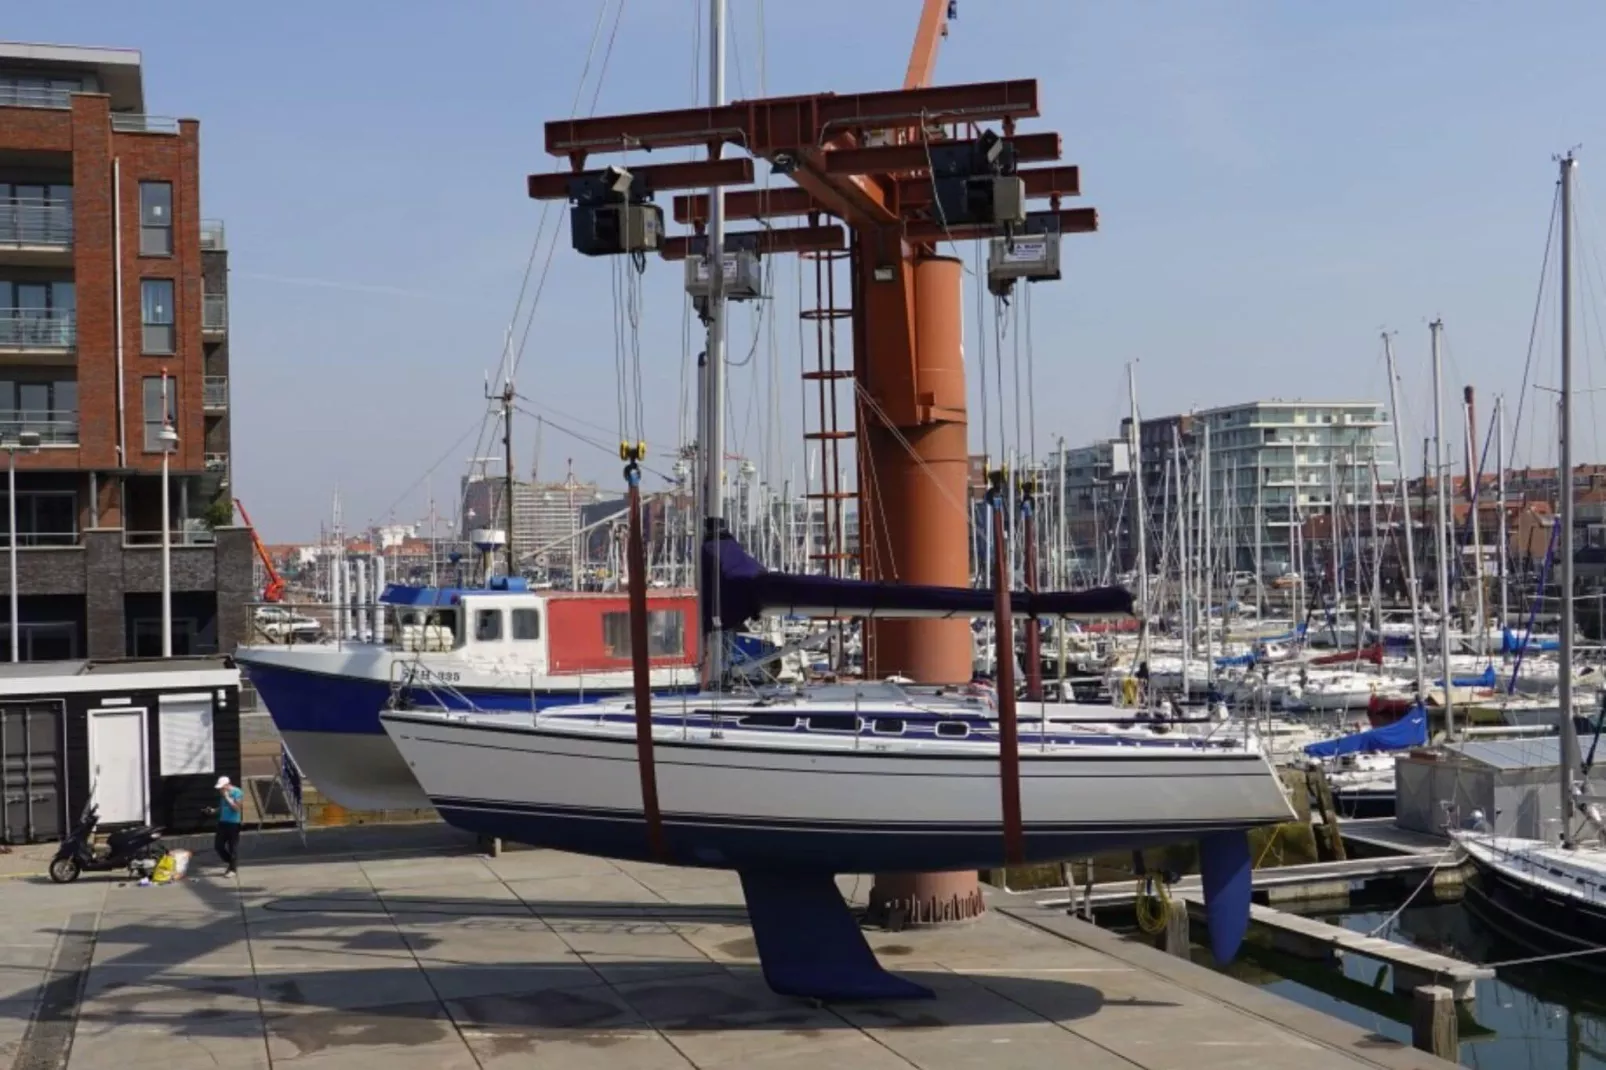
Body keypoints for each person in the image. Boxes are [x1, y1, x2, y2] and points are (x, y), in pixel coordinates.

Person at [214, 776, 243, 877]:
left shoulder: (237, 792)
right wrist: (215, 810)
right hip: (222, 822)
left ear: (227, 785)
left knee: (232, 847)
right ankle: (230, 862)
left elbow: (237, 808)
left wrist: (227, 797)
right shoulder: (223, 793)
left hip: (233, 823)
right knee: (218, 846)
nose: (220, 790)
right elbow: (223, 806)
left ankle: (233, 869)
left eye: (222, 787)